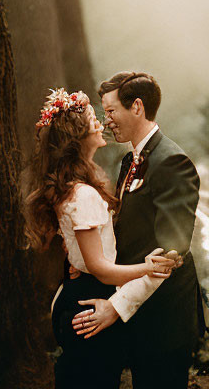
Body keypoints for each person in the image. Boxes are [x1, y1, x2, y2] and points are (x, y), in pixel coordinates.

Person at [25, 88, 177, 389]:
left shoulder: (78, 185)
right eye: (96, 118)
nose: (102, 123)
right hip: (91, 298)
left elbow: (87, 253)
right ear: (78, 135)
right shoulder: (83, 194)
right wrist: (147, 269)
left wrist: (81, 262)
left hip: (80, 289)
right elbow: (101, 268)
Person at [70, 72, 204, 389]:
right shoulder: (130, 160)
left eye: (111, 110)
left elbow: (170, 256)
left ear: (138, 107)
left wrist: (115, 308)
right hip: (143, 317)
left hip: (165, 321)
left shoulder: (172, 162)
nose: (106, 121)